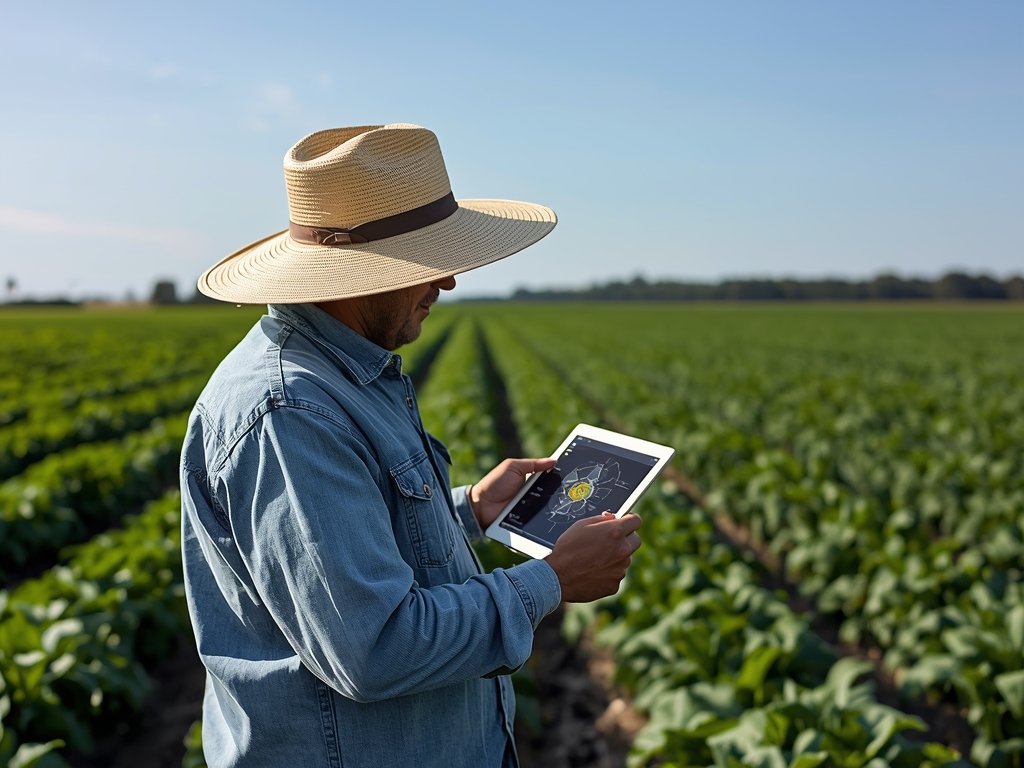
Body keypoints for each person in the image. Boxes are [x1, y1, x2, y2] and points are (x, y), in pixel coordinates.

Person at [180, 123, 642, 768]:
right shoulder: (291, 413)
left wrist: (470, 510)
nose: (447, 282)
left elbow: (348, 550)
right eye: (425, 262)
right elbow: (375, 648)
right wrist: (551, 581)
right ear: (359, 275)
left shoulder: (347, 371)